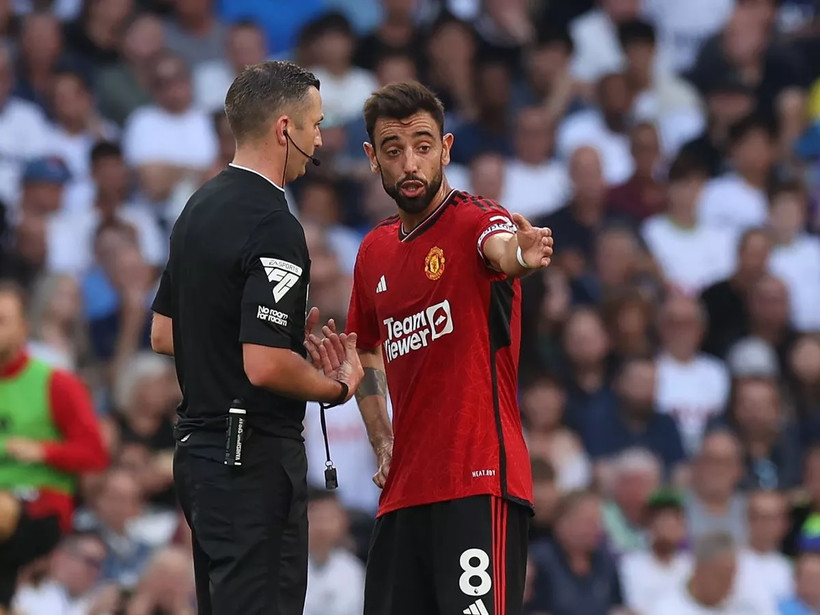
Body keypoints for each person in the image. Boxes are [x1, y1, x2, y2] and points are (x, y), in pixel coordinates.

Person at [149, 60, 364, 615]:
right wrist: (334, 385)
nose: (320, 139)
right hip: (251, 462)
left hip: (199, 456)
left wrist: (265, 341)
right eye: (315, 125)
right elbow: (265, 366)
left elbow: (167, 332)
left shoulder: (196, 208)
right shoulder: (273, 223)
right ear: (284, 129)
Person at [345, 81, 554, 615]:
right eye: (393, 150)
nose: (409, 162)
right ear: (373, 159)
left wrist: (522, 256)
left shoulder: (476, 218)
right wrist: (381, 437)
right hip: (403, 495)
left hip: (477, 481)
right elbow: (366, 350)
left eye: (422, 145)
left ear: (446, 149)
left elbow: (501, 250)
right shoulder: (373, 252)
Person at [0, 280, 109, 613]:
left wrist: (43, 451)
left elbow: (96, 453)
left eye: (2, 321)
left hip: (40, 504)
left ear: (24, 328)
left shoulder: (55, 383)